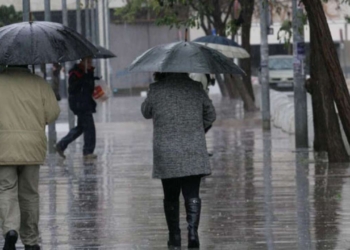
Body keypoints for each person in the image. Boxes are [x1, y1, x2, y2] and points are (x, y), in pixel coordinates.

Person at [141, 73, 216, 248]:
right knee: (192, 194)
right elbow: (211, 115)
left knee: (171, 196)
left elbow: (146, 112)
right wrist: (195, 129)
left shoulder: (156, 89)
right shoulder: (196, 88)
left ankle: (174, 237)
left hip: (166, 151)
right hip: (193, 148)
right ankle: (192, 233)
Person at [0, 65, 60, 250]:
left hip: (4, 145)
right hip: (33, 147)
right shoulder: (39, 83)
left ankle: (10, 230)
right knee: (29, 194)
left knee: (6, 189)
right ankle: (31, 241)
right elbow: (52, 113)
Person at [55, 57, 98, 160]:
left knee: (81, 128)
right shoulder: (75, 73)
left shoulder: (88, 72)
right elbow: (73, 89)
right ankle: (88, 152)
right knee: (89, 128)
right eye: (88, 61)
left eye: (90, 61)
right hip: (80, 104)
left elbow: (89, 88)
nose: (90, 63)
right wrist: (84, 79)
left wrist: (91, 78)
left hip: (86, 103)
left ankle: (61, 145)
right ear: (82, 61)